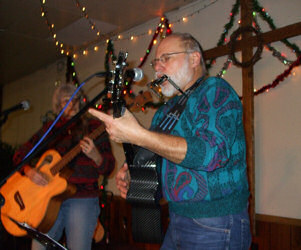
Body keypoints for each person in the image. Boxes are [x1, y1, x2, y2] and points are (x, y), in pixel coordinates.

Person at [89, 32, 251, 249]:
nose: (157, 68)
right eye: (156, 62)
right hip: (176, 219)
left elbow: (211, 154)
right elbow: (162, 165)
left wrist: (139, 135)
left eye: (166, 58)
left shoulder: (214, 90)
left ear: (194, 59)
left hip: (216, 223)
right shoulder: (164, 112)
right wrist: (135, 176)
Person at [13, 84, 115, 250]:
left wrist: (96, 156)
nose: (71, 104)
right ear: (58, 106)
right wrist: (29, 171)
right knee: (38, 247)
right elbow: (21, 154)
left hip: (82, 198)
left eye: (74, 100)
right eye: (65, 101)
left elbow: (109, 167)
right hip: (48, 200)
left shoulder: (95, 126)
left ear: (81, 102)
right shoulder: (51, 129)